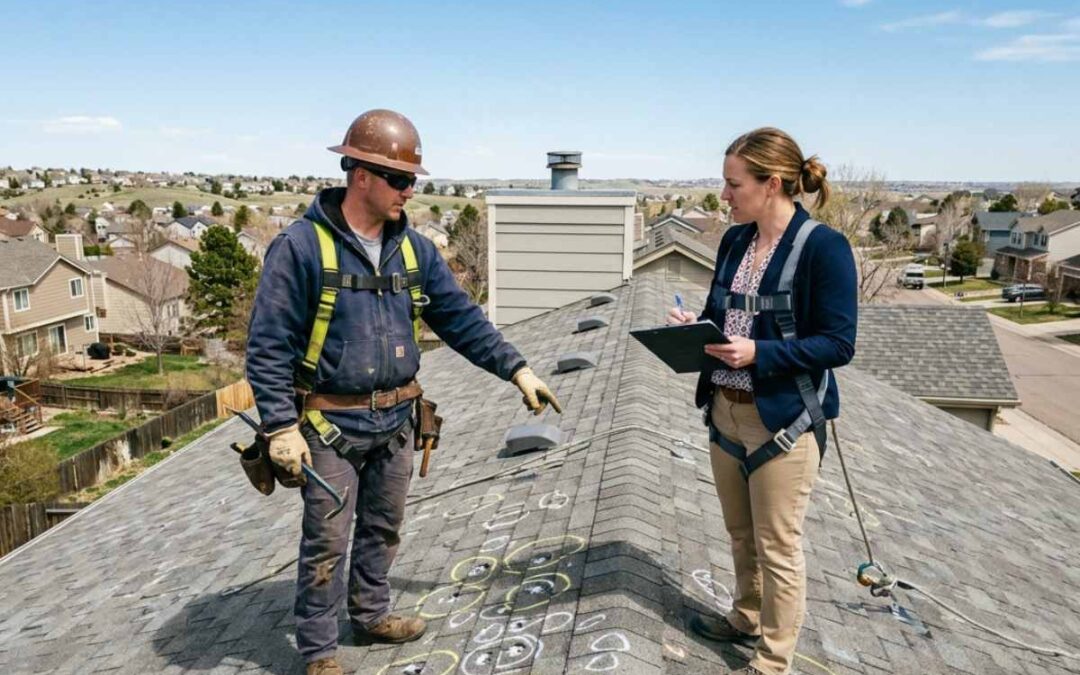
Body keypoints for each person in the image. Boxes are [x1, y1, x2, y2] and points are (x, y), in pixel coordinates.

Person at [245, 109, 562, 675]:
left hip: (396, 423)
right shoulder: (300, 249)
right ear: (359, 174)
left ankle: (370, 615)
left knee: (384, 527)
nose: (408, 191)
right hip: (327, 427)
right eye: (398, 179)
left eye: (413, 180)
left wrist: (518, 369)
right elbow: (267, 345)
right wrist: (278, 425)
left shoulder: (414, 250)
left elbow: (462, 319)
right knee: (326, 541)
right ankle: (319, 652)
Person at [667, 127, 856, 675]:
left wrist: (759, 353)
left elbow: (839, 344)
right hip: (725, 409)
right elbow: (723, 314)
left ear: (772, 184)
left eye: (733, 184)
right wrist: (693, 327)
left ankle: (773, 663)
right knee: (739, 532)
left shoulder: (823, 248)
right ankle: (746, 616)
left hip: (784, 420)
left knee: (778, 547)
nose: (724, 196)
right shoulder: (735, 241)